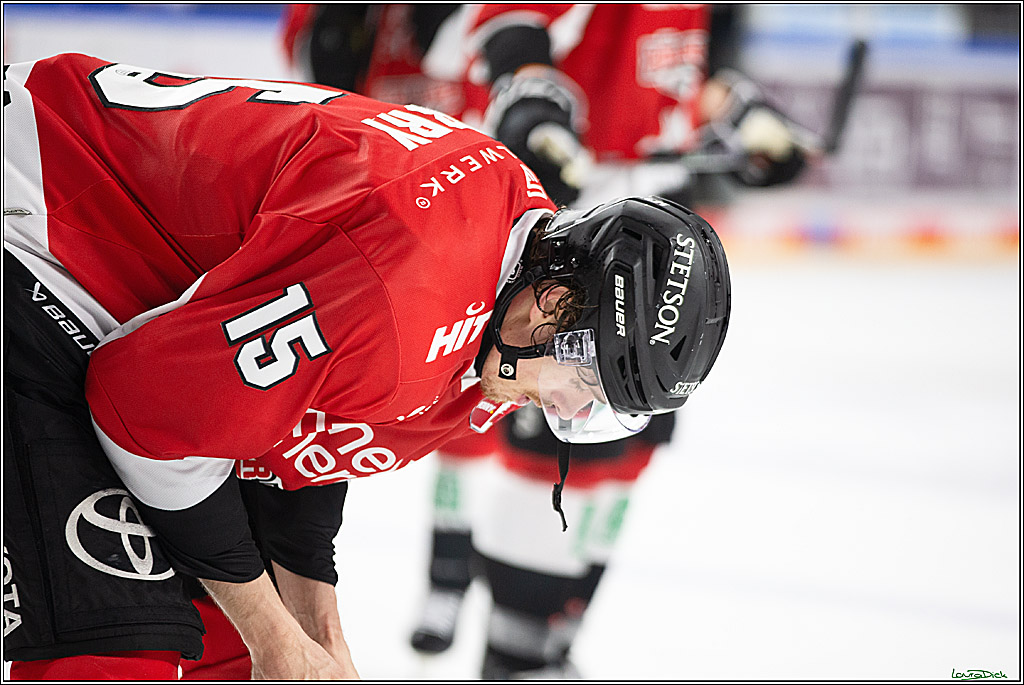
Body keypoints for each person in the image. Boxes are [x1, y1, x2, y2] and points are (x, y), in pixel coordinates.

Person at [3, 51, 732, 680]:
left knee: (220, 646)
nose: (569, 409)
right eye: (586, 382)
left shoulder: (506, 254)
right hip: (40, 232)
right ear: (550, 307)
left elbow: (294, 440)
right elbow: (142, 407)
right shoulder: (407, 285)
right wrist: (276, 636)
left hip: (119, 284)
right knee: (113, 644)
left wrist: (318, 638)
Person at [374, 4, 805, 678]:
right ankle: (511, 656)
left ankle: (551, 642)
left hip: (662, 224)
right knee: (562, 440)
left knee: (632, 443)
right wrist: (532, 108)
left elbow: (669, 74)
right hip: (590, 234)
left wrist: (739, 109)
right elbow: (486, 29)